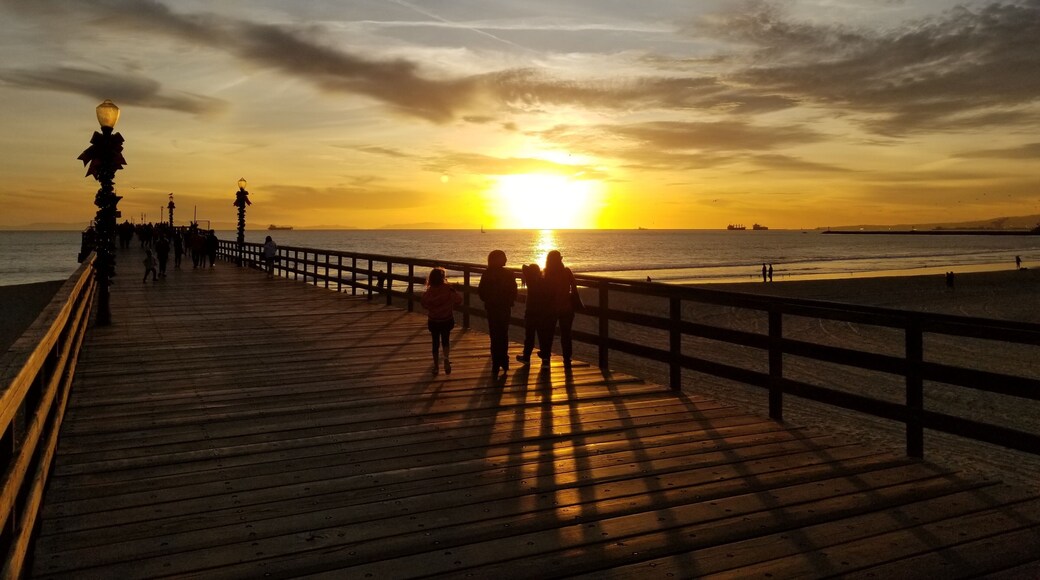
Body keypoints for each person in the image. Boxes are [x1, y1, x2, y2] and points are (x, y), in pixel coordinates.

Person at [478, 249, 517, 376]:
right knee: (503, 335)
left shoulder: (487, 273)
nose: (506, 259)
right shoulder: (509, 274)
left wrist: (489, 300)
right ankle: (504, 362)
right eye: (504, 257)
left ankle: (496, 363)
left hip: (492, 308)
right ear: (498, 259)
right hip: (504, 308)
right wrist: (509, 300)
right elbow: (514, 291)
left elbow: (481, 292)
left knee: (495, 336)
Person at [538, 250, 578, 367]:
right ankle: (567, 359)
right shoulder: (567, 271)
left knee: (548, 333)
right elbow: (574, 287)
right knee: (566, 334)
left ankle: (546, 358)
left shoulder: (546, 273)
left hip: (551, 307)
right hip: (566, 307)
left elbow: (543, 291)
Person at [421, 267, 462, 375]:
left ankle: (435, 366)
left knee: (435, 342)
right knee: (445, 341)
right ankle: (446, 359)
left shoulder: (429, 291)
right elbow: (459, 300)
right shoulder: (448, 289)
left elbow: (424, 303)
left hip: (434, 320)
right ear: (443, 278)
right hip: (446, 319)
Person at [517, 264, 548, 364]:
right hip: (542, 312)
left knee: (529, 336)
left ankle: (526, 357)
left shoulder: (530, 281)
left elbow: (523, 267)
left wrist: (531, 270)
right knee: (542, 336)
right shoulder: (544, 281)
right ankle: (545, 359)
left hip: (531, 311)